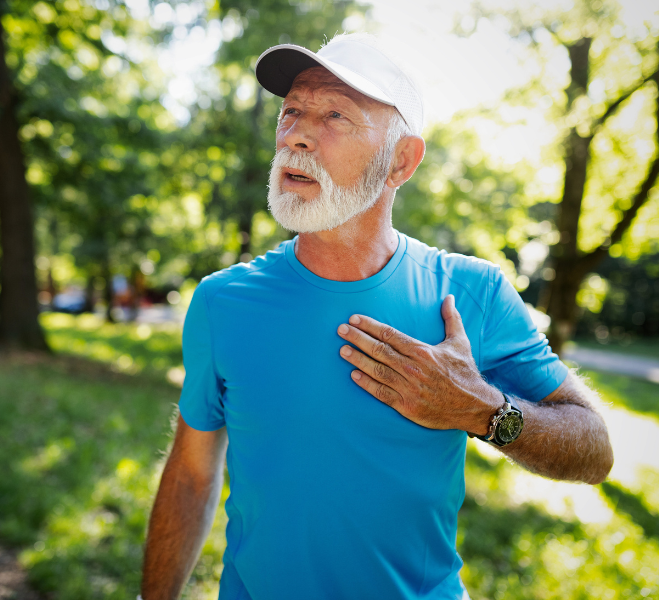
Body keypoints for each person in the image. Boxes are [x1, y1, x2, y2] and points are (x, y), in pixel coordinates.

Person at [140, 33, 614, 600]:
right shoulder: (223, 301)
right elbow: (192, 473)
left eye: (335, 115)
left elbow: (595, 449)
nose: (297, 136)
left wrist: (483, 410)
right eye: (291, 111)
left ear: (400, 161)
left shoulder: (471, 293)